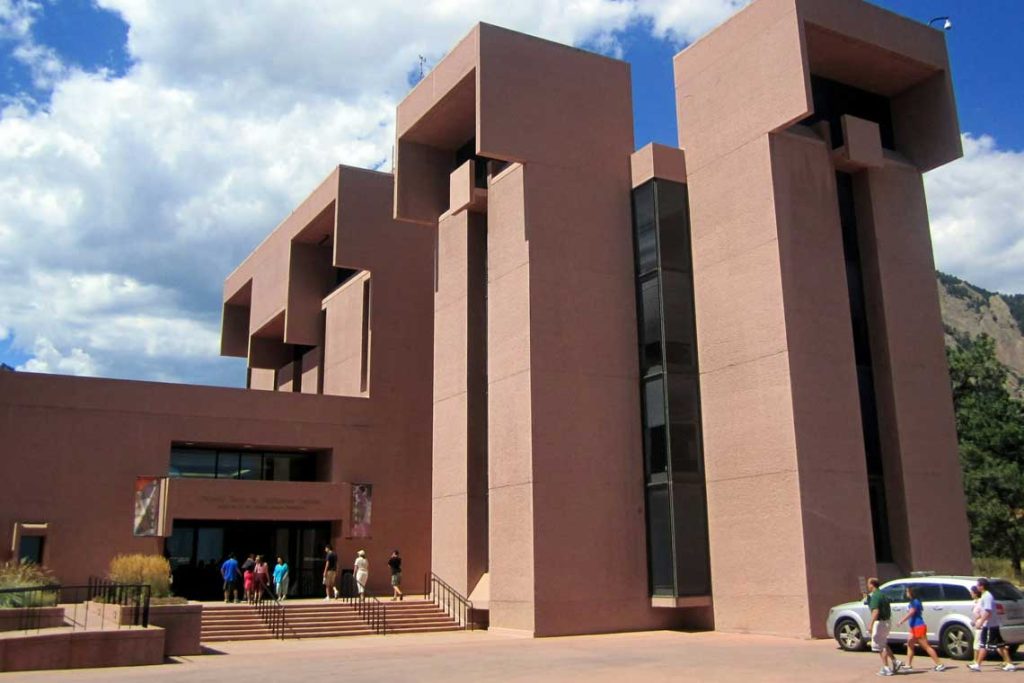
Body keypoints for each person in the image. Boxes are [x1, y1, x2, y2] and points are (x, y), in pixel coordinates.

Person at [969, 578, 1017, 672]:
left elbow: (988, 611)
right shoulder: (985, 595)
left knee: (984, 645)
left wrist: (981, 622)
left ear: (982, 586)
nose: (977, 587)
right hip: (993, 624)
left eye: (978, 585)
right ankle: (1009, 664)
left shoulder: (987, 596)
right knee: (1001, 645)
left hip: (989, 625)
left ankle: (977, 665)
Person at [895, 586, 946, 671]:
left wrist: (901, 621)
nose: (906, 593)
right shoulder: (913, 602)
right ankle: (908, 665)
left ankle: (939, 664)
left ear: (912, 592)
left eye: (907, 592)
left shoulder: (915, 602)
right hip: (913, 627)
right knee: (910, 644)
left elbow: (911, 612)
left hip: (918, 627)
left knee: (926, 646)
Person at [865, 577, 899, 676]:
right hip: (887, 621)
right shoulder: (882, 594)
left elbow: (875, 611)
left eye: (868, 583)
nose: (867, 586)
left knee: (881, 646)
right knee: (883, 643)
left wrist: (870, 625)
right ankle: (895, 661)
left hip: (880, 623)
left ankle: (886, 668)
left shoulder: (876, 596)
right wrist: (868, 599)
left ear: (872, 585)